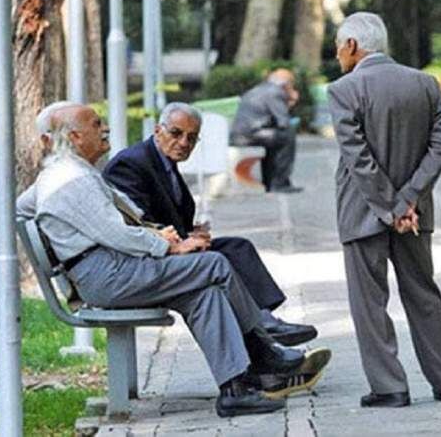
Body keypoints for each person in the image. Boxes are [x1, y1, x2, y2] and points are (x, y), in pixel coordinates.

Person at [16, 104, 327, 417]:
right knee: (214, 264)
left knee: (204, 293)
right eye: (96, 124)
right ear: (75, 137)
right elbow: (116, 233)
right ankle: (263, 351)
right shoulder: (71, 179)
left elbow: (21, 207)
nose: (105, 128)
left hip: (111, 269)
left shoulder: (64, 174)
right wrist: (168, 247)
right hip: (108, 275)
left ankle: (235, 389)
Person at [328, 12, 441, 408]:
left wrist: (391, 206)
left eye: (338, 47)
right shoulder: (425, 84)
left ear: (352, 45)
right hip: (415, 214)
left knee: (369, 303)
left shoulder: (343, 90)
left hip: (363, 211)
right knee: (424, 295)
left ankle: (390, 387)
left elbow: (358, 158)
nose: (337, 55)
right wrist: (409, 200)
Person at [103, 103, 318, 348]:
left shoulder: (164, 162)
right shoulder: (131, 163)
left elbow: (168, 213)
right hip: (145, 259)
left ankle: (264, 320)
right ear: (157, 130)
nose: (184, 143)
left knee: (238, 248)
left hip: (172, 247)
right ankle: (261, 329)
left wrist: (193, 234)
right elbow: (137, 222)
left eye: (191, 138)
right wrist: (182, 241)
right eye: (176, 133)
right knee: (218, 263)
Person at [230, 69, 302, 193]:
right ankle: (280, 183)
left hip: (241, 134)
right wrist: (291, 100)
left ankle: (269, 182)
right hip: (251, 135)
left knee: (275, 139)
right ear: (287, 84)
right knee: (287, 135)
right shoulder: (276, 92)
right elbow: (284, 121)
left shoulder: (257, 89)